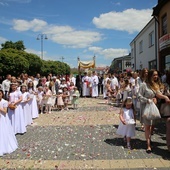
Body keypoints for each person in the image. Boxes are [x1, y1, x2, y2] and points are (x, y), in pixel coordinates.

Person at [138, 69, 170, 153]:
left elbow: (158, 94)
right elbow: (139, 96)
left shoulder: (155, 85)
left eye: (156, 75)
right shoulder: (143, 85)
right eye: (154, 75)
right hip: (146, 108)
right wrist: (147, 100)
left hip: (154, 109)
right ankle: (148, 145)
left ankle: (149, 139)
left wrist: (165, 97)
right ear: (150, 76)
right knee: (147, 127)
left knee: (152, 126)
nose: (156, 77)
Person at [0, 89, 18, 156]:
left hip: (3, 118)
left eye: (0, 94)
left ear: (2, 94)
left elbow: (5, 111)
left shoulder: (4, 102)